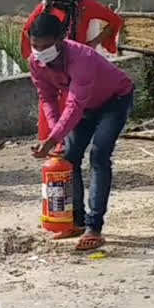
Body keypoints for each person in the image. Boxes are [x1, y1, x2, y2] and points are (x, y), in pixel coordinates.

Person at [28, 13, 133, 251]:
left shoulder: (81, 57)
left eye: (46, 46)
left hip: (114, 100)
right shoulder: (35, 62)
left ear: (60, 39)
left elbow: (74, 103)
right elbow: (47, 97)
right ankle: (75, 220)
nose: (40, 51)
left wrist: (54, 136)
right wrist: (56, 137)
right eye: (35, 46)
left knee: (99, 154)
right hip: (84, 108)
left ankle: (94, 227)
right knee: (68, 157)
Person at [21, 0, 125, 145]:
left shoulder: (85, 4)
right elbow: (27, 30)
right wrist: (39, 54)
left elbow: (115, 21)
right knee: (50, 109)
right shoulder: (45, 7)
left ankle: (69, 159)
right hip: (53, 70)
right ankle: (54, 158)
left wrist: (93, 43)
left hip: (77, 68)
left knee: (74, 115)